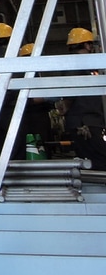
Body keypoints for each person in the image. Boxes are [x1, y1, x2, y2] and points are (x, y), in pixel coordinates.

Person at [58, 28, 106, 170]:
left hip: (88, 121)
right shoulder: (76, 64)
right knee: (99, 160)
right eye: (91, 44)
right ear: (86, 45)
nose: (92, 47)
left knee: (95, 159)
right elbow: (70, 92)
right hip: (85, 123)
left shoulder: (85, 64)